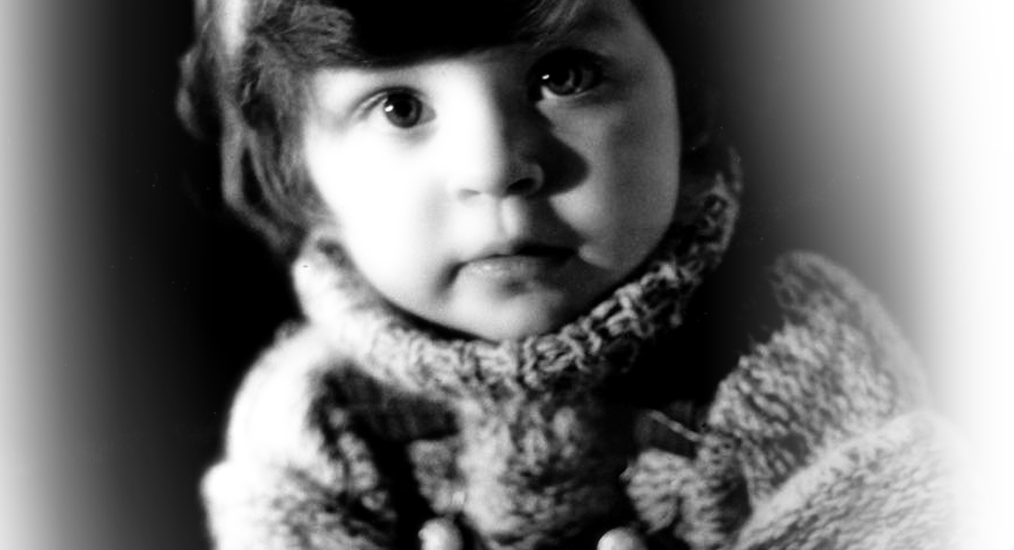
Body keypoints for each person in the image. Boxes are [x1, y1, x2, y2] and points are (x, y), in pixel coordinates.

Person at [177, 0, 958, 548]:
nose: (494, 167)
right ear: (299, 175)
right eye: (398, 108)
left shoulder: (800, 354)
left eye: (565, 75)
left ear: (693, 97)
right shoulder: (313, 420)